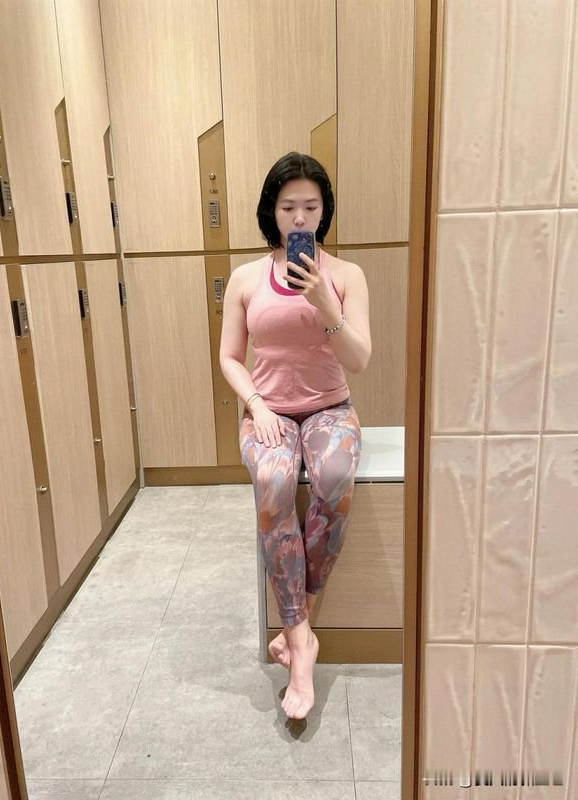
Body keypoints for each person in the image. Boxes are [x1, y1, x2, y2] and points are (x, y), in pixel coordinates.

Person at [219, 151, 371, 720]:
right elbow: (229, 357)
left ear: (325, 210)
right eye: (288, 207)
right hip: (269, 412)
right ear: (272, 212)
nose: (300, 217)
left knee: (333, 476)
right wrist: (255, 404)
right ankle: (301, 648)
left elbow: (358, 359)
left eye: (311, 206)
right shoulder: (245, 278)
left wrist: (323, 301)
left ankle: (295, 627)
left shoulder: (346, 276)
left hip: (331, 407)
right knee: (275, 480)